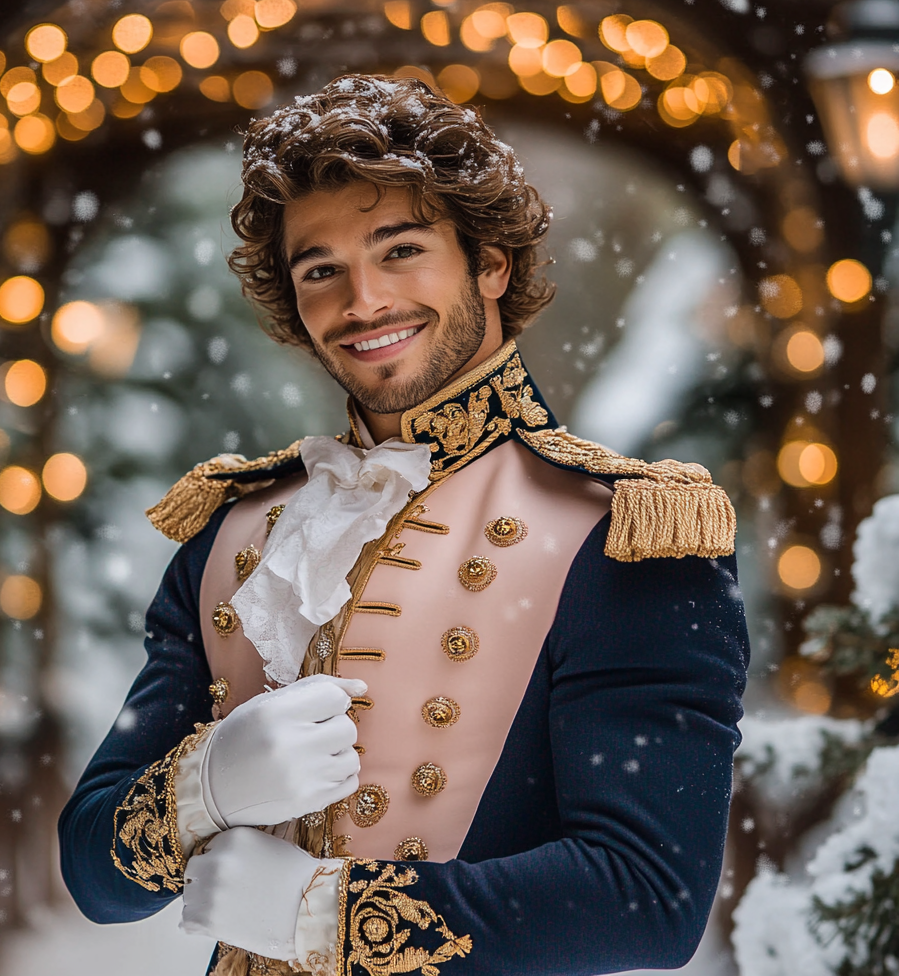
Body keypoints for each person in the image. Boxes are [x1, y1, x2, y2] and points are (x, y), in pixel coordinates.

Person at [59, 74, 749, 976]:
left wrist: (322, 916)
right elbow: (92, 874)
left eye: (400, 250)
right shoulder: (231, 533)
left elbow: (645, 896)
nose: (364, 300)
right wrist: (205, 789)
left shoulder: (625, 535)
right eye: (321, 271)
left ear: (490, 263)